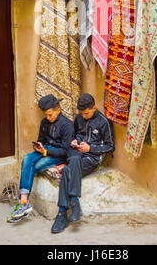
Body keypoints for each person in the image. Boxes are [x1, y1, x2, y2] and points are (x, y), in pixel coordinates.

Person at [51, 93, 115, 234]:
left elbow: (111, 147)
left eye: (86, 113)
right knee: (73, 159)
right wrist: (75, 141)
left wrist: (90, 148)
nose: (84, 116)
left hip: (91, 157)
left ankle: (62, 213)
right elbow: (76, 134)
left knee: (67, 171)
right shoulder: (79, 118)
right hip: (76, 152)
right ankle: (75, 202)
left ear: (94, 108)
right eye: (82, 113)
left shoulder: (104, 122)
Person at [7, 94, 74, 223]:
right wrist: (39, 146)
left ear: (58, 110)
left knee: (34, 166)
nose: (48, 118)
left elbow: (65, 151)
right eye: (46, 115)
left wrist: (46, 152)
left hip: (57, 154)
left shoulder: (67, 125)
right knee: (27, 159)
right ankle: (24, 201)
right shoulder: (44, 122)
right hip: (44, 150)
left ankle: (23, 203)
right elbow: (41, 139)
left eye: (50, 115)